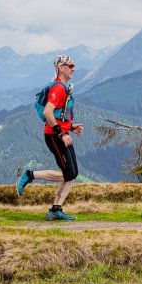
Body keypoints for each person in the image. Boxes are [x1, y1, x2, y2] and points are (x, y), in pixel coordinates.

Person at [16, 54, 84, 220]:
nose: (73, 68)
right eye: (70, 66)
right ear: (61, 68)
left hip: (62, 133)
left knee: (72, 174)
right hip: (55, 136)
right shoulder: (59, 88)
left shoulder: (63, 87)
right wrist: (61, 133)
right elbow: (47, 112)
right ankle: (29, 175)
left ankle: (56, 209)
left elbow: (58, 113)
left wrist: (70, 127)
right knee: (69, 173)